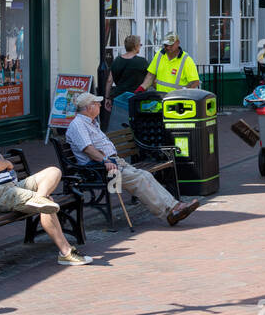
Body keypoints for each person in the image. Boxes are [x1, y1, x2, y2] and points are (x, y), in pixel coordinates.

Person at [0, 97, 90, 266]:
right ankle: (65, 252)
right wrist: (6, 163)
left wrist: (4, 165)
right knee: (48, 203)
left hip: (10, 188)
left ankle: (39, 200)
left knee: (53, 171)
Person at [65, 93, 200, 225]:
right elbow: (88, 149)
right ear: (89, 107)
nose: (100, 105)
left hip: (112, 162)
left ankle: (174, 206)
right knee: (139, 179)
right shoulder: (78, 125)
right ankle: (168, 212)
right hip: (98, 169)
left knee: (145, 174)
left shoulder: (91, 123)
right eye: (97, 103)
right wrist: (105, 161)